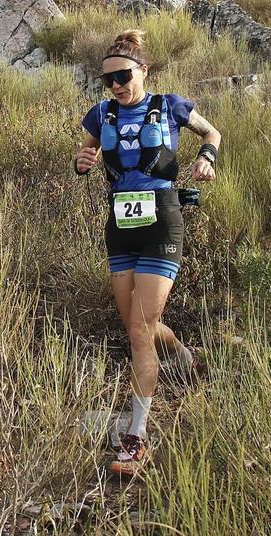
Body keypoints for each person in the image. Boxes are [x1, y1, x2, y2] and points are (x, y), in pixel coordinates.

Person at [75, 29, 221, 476]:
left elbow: (212, 131)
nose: (116, 85)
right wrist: (83, 161)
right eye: (108, 79)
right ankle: (182, 355)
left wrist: (207, 158)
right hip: (120, 227)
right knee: (140, 326)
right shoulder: (100, 114)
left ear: (143, 71)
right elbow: (85, 152)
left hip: (162, 221)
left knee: (139, 330)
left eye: (123, 75)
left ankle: (137, 439)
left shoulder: (170, 106)